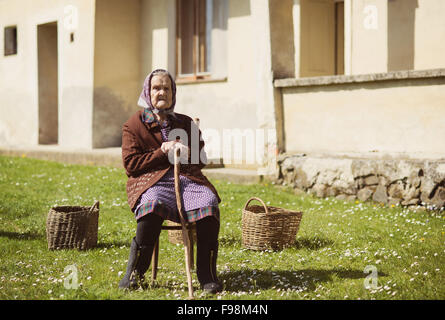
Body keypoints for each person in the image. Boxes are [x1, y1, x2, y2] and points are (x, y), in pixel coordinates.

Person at [119, 69, 222, 294]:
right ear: (148, 92)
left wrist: (188, 152)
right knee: (151, 204)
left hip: (187, 180)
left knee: (209, 202)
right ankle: (136, 273)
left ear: (173, 93)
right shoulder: (134, 125)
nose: (162, 92)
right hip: (151, 182)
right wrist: (161, 151)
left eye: (167, 88)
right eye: (156, 88)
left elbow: (201, 158)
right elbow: (131, 165)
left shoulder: (184, 122)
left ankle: (207, 276)